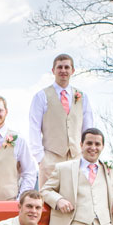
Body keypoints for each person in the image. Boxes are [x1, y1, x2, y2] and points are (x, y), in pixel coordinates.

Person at [28, 53, 94, 187]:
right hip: (50, 157)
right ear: (53, 71)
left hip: (76, 157)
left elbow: (88, 128)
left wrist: (85, 155)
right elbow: (34, 127)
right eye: (59, 67)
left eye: (66, 67)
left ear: (72, 71)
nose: (63, 71)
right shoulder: (41, 96)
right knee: (49, 200)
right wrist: (41, 159)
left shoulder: (82, 97)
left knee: (76, 199)